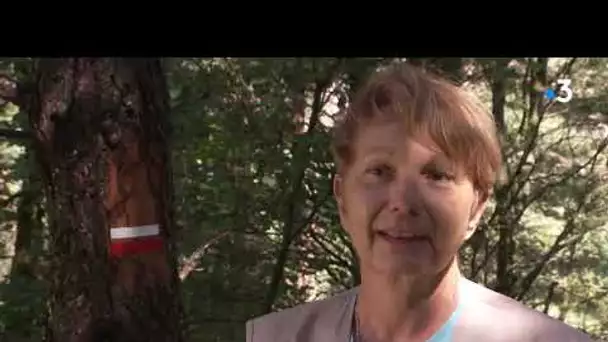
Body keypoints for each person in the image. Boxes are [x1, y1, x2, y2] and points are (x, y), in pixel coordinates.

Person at [245, 63, 594, 342]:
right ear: (342, 198)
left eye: (437, 175)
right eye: (379, 171)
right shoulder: (274, 337)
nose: (403, 202)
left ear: (477, 207)